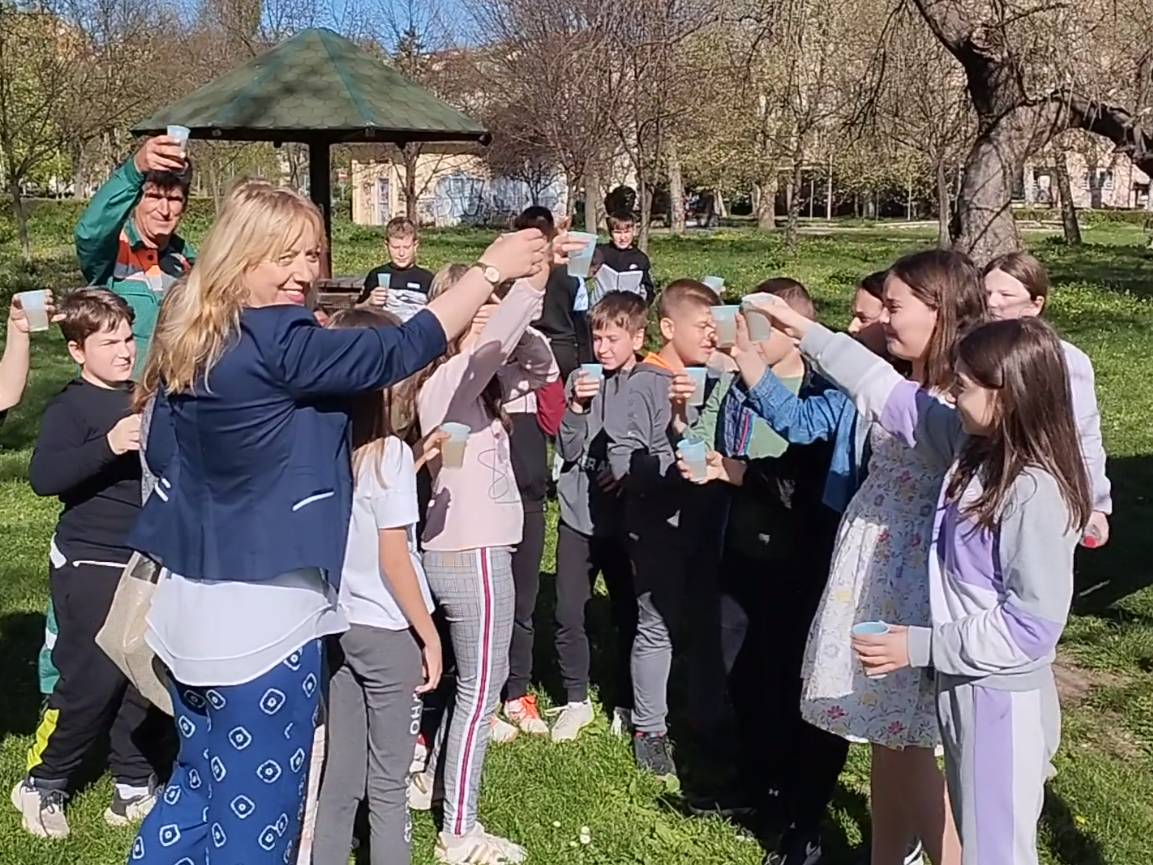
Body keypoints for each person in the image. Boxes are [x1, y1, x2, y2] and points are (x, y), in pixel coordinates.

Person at [126, 180, 550, 865]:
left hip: (188, 615)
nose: (304, 271)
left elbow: (166, 458)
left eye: (311, 254)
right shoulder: (275, 338)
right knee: (256, 828)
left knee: (194, 793)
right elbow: (399, 349)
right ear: (241, 255)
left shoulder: (194, 335)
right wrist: (489, 270)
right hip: (262, 627)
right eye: (285, 255)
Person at [761, 296, 1089, 865]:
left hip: (1000, 700)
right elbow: (887, 394)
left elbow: (1031, 627)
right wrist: (806, 332)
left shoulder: (1033, 491)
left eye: (963, 387)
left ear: (1008, 395)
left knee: (995, 852)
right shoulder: (972, 448)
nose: (951, 397)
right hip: (966, 682)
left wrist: (919, 646)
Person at [781, 250, 986, 865]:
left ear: (940, 309)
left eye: (895, 307)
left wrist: (804, 331)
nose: (884, 319)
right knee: (885, 732)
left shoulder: (956, 397)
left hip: (911, 576)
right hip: (875, 563)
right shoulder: (916, 380)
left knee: (911, 742)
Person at [411, 253, 564, 864]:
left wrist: (511, 327)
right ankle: (459, 829)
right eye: (478, 307)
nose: (488, 317)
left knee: (471, 686)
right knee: (481, 693)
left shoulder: (486, 384)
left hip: (482, 547)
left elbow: (544, 368)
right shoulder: (445, 383)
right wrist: (522, 293)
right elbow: (480, 357)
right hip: (468, 552)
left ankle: (434, 784)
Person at [14, 290, 162, 840]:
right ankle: (44, 781)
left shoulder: (142, 396)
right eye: (109, 343)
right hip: (90, 557)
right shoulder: (70, 407)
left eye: (127, 339)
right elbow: (44, 478)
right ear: (78, 350)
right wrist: (109, 444)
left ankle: (132, 780)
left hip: (144, 556)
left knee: (141, 672)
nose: (124, 351)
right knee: (93, 677)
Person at [311, 307, 445, 865]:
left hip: (339, 624)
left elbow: (363, 510)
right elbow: (394, 558)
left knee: (340, 780)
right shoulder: (387, 453)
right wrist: (428, 634)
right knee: (389, 785)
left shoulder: (321, 448)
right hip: (390, 633)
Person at [606, 279, 726, 783]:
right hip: (657, 527)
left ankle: (699, 719)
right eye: (702, 327)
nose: (712, 336)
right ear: (669, 328)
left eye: (716, 327)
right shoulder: (645, 384)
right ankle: (650, 730)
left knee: (700, 624)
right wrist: (672, 470)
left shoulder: (715, 378)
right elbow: (621, 460)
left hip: (708, 523)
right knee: (656, 625)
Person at [551, 291, 647, 742]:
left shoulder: (650, 383)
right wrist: (576, 407)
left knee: (629, 612)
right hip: (577, 514)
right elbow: (567, 449)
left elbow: (660, 445)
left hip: (626, 520)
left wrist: (629, 471)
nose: (603, 348)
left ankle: (626, 700)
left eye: (613, 339)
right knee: (568, 610)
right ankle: (576, 699)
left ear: (638, 338)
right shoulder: (581, 380)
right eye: (598, 338)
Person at [982, 251, 1111, 545]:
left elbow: (1083, 433)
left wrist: (1095, 504)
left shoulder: (1064, 360)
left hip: (1038, 489)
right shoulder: (969, 354)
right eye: (986, 293)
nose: (992, 303)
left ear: (1035, 304)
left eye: (1005, 295)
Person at [75, 134, 195, 372]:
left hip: (173, 389)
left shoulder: (188, 263)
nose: (164, 210)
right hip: (119, 390)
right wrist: (134, 170)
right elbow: (90, 232)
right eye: (153, 197)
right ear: (135, 201)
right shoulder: (112, 252)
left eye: (174, 199)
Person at [519, 207, 584, 381]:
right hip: (564, 351)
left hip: (528, 354)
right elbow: (582, 322)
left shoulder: (514, 272)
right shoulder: (572, 273)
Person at [357, 217, 437, 321]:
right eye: (395, 247)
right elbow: (355, 312)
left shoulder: (427, 278)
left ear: (415, 245)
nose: (401, 253)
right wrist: (368, 303)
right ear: (386, 246)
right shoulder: (376, 275)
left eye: (406, 247)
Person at [595, 211, 654, 303]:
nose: (623, 238)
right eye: (617, 232)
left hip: (629, 310)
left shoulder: (641, 259)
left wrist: (640, 307)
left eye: (627, 232)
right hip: (601, 309)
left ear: (634, 231)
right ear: (610, 233)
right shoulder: (600, 253)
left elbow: (647, 290)